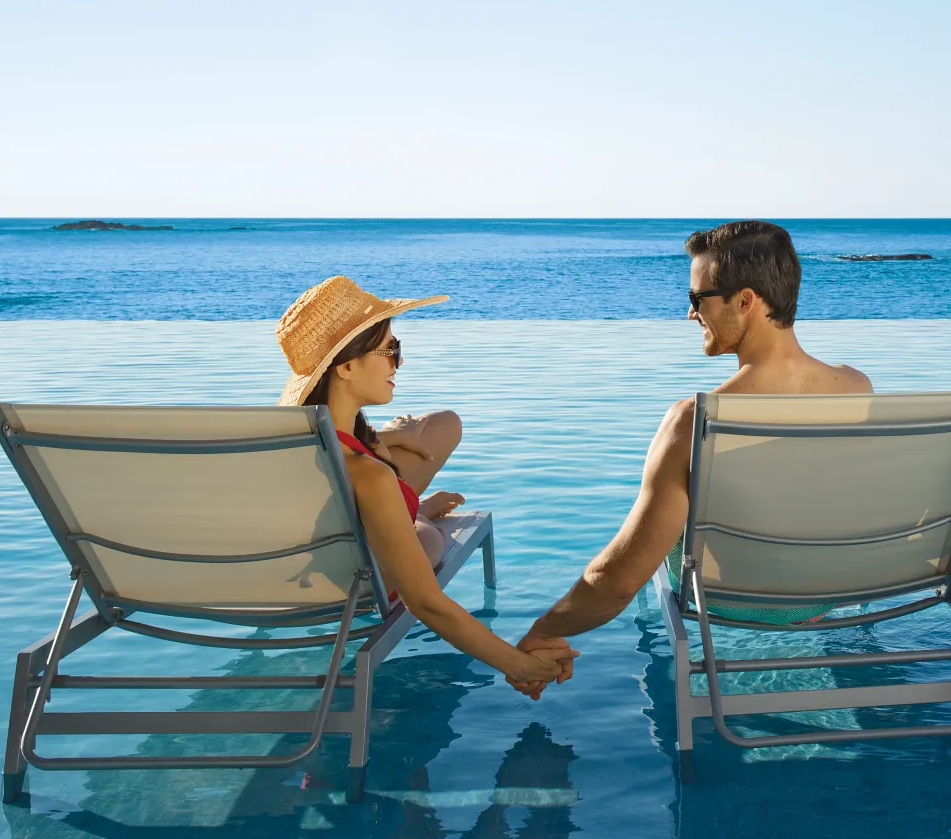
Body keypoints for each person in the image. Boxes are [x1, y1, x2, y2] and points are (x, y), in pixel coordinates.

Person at [511, 220, 869, 694]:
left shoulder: (694, 420)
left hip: (734, 601)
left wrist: (543, 631)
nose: (690, 314)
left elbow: (618, 581)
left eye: (697, 299)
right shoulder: (856, 387)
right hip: (824, 594)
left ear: (745, 301)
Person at [277, 275, 575, 691]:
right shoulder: (369, 474)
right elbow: (427, 604)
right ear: (345, 366)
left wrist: (385, 441)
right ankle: (416, 515)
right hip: (357, 585)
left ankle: (414, 507)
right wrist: (520, 666)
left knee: (432, 445)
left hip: (297, 574)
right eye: (390, 350)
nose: (398, 362)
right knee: (430, 538)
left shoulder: (287, 449)